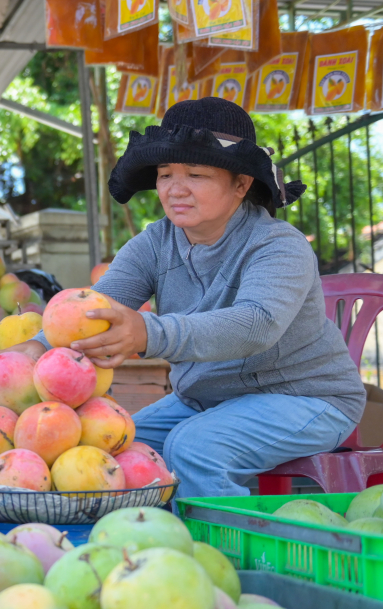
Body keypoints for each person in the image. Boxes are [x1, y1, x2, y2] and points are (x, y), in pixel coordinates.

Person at [20, 97, 365, 498]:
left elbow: (255, 325)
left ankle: (219, 557)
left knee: (195, 447)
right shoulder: (153, 242)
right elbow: (93, 309)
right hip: (206, 400)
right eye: (166, 174)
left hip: (306, 399)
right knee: (107, 445)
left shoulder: (278, 244)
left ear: (241, 184)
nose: (175, 189)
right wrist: (34, 351)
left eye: (196, 174)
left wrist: (146, 334)